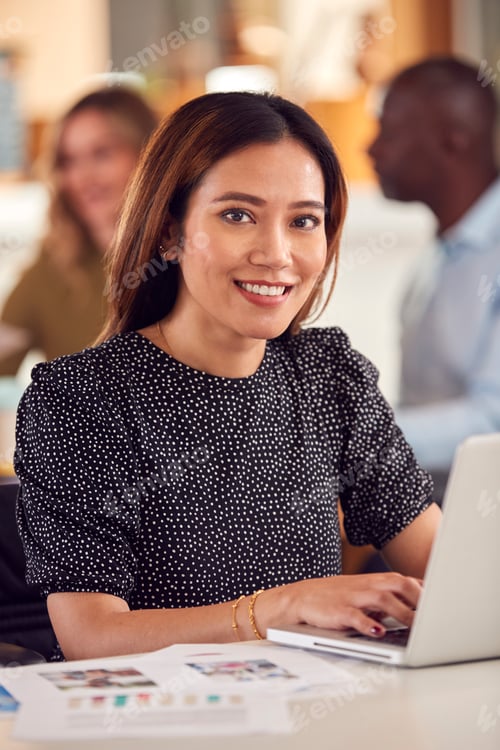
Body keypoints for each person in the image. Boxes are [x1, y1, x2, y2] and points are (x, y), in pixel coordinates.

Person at [15, 91, 441, 661]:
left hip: (311, 716)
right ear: (170, 233)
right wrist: (281, 609)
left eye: (304, 221)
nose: (277, 253)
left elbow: (448, 572)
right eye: (238, 215)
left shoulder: (330, 375)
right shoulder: (80, 399)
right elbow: (92, 637)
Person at [367, 56, 500, 499]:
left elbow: (492, 420)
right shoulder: (440, 251)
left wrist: (354, 434)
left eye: (390, 131)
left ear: (453, 141)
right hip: (431, 513)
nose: (373, 149)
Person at [0, 86, 158, 375]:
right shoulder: (53, 271)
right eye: (68, 161)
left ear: (148, 155)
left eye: (101, 153)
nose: (82, 178)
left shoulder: (189, 258)